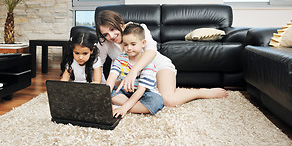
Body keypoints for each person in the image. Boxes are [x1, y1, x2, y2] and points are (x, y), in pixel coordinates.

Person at [95, 10, 228, 107]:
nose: (111, 36)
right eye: (106, 34)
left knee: (169, 100)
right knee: (112, 93)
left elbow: (151, 51)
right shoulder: (105, 43)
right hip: (132, 78)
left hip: (157, 67)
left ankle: (201, 92)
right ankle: (137, 103)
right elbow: (97, 63)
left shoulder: (137, 29)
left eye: (113, 29)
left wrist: (133, 71)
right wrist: (101, 88)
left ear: (120, 22)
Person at [106, 23, 164, 117]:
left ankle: (126, 106)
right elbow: (112, 77)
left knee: (156, 102)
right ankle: (136, 107)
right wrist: (104, 96)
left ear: (143, 43)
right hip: (127, 92)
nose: (129, 48)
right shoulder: (121, 59)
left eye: (133, 44)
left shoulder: (148, 64)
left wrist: (124, 108)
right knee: (111, 92)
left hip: (145, 93)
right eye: (125, 44)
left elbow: (141, 90)